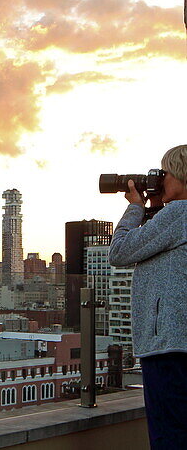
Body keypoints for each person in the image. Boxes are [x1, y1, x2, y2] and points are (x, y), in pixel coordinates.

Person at [109, 144, 187, 448]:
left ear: (181, 176)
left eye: (165, 173)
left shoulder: (180, 213)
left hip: (169, 346)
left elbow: (119, 252)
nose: (161, 178)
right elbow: (159, 241)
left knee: (170, 434)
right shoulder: (174, 218)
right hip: (179, 341)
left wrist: (135, 207)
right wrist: (155, 207)